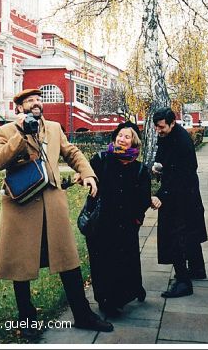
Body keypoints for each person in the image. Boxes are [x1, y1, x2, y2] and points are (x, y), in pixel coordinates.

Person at [0, 88, 113, 337]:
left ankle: (83, 314)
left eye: (38, 99)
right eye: (29, 101)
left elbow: (72, 153)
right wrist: (21, 136)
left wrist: (88, 173)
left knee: (67, 259)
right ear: (19, 108)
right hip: (21, 206)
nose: (36, 103)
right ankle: (27, 319)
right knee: (20, 264)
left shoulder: (55, 128)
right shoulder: (6, 131)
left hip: (52, 203)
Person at [75, 121, 151, 317]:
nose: (121, 138)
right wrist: (82, 177)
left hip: (125, 224)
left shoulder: (140, 169)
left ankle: (130, 291)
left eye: (127, 136)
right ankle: (106, 301)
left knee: (125, 261)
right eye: (119, 135)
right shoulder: (101, 159)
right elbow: (87, 175)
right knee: (101, 262)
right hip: (100, 221)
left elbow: (143, 198)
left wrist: (136, 219)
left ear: (134, 143)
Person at [151, 107, 208, 298]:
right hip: (184, 192)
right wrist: (159, 167)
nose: (158, 131)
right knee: (191, 231)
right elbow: (163, 155)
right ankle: (198, 269)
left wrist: (162, 194)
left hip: (182, 194)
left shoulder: (181, 142)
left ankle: (183, 282)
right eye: (156, 127)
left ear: (172, 123)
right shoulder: (168, 134)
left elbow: (181, 174)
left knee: (175, 236)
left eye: (161, 127)